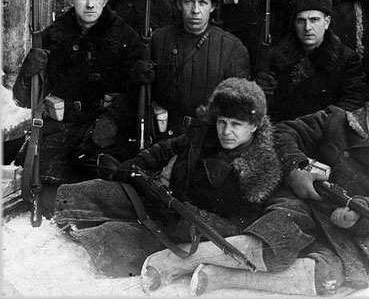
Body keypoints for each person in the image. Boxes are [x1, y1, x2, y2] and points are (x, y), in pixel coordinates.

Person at [137, 73, 369, 296]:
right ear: (366, 108)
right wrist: (299, 167)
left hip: (335, 229)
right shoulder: (334, 120)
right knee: (279, 236)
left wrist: (358, 213)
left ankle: (219, 277)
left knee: (327, 275)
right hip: (298, 204)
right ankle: (177, 261)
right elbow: (284, 132)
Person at [52, 78, 282, 281]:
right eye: (222, 122)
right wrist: (139, 162)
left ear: (254, 126)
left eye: (236, 125)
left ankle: (67, 258)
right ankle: (56, 220)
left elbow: (238, 227)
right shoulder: (205, 136)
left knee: (108, 239)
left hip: (185, 235)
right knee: (92, 191)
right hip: (162, 201)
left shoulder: (259, 171)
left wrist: (194, 218)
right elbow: (168, 148)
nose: (226, 131)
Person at [12, 0, 142, 216]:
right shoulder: (52, 36)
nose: (90, 4)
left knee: (105, 189)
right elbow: (24, 100)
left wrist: (113, 119)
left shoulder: (127, 37)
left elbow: (135, 94)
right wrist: (27, 73)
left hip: (104, 128)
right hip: (63, 126)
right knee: (43, 194)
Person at [132, 0, 250, 139]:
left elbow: (240, 103)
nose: (195, 10)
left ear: (212, 7)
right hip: (166, 134)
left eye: (202, 3)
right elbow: (139, 94)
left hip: (210, 138)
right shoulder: (158, 40)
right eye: (189, 2)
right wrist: (137, 77)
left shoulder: (232, 47)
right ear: (179, 4)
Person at [263, 0, 365, 122]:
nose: (307, 28)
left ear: (327, 22)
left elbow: (352, 102)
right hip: (284, 129)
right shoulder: (276, 58)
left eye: (314, 20)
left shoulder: (347, 59)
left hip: (325, 129)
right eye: (301, 20)